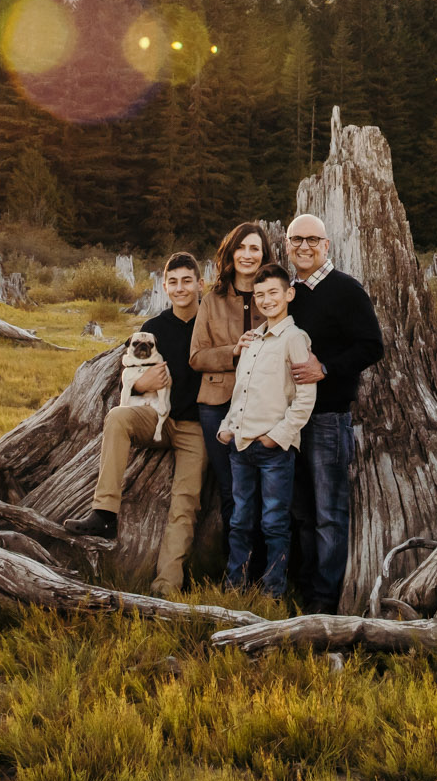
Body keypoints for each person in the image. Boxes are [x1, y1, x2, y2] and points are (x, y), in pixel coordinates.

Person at [64, 253, 207, 592]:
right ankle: (105, 513)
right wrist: (141, 385)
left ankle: (166, 586)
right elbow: (129, 372)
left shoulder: (211, 323)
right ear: (164, 286)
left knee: (184, 503)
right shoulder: (153, 329)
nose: (180, 288)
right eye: (173, 282)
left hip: (195, 427)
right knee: (117, 418)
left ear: (201, 284)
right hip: (154, 415)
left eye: (188, 281)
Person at [282, 212, 384, 612]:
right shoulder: (287, 293)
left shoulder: (346, 290)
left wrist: (325, 368)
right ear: (287, 245)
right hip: (290, 420)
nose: (304, 246)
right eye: (296, 240)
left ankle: (324, 600)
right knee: (301, 513)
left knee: (328, 513)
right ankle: (304, 588)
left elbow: (371, 346)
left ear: (327, 246)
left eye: (312, 240)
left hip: (328, 419)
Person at [216, 263, 315, 598]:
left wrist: (278, 436)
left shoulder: (295, 339)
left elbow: (305, 398)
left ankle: (273, 591)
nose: (266, 299)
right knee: (240, 521)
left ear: (289, 294)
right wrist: (227, 427)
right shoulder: (253, 339)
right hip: (240, 447)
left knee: (274, 522)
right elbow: (241, 389)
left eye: (273, 292)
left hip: (273, 449)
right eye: (260, 295)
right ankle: (235, 585)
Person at [188, 220, 271, 575]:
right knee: (231, 491)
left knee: (268, 492)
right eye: (242, 247)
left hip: (265, 404)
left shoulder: (275, 294)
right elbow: (196, 357)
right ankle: (238, 572)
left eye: (255, 248)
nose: (248, 255)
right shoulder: (212, 300)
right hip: (217, 405)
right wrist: (232, 353)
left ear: (264, 254)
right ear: (230, 253)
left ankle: (270, 571)